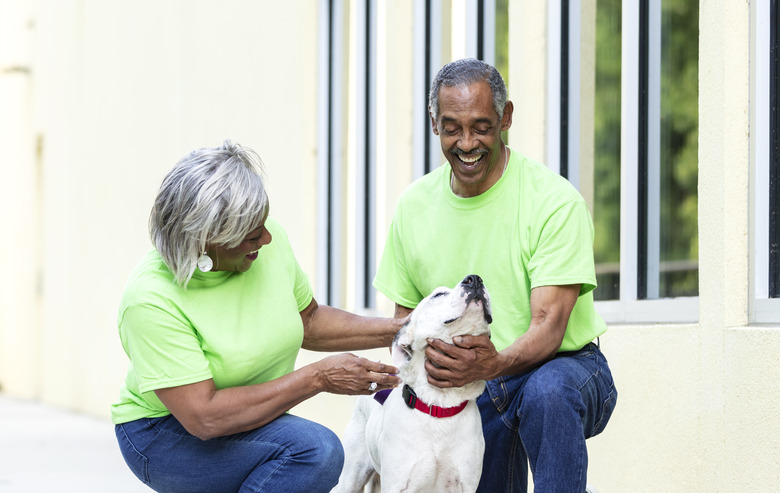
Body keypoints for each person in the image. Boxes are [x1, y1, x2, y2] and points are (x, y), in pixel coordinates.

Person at [373, 58, 618, 492]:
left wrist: (495, 364)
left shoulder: (554, 201)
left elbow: (550, 327)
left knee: (548, 393)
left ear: (506, 118)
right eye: (452, 128)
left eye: (482, 127)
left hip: (563, 365)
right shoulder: (413, 208)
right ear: (434, 124)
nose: (467, 143)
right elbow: (410, 327)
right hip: (470, 383)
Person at [111, 140, 404, 493]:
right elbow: (205, 416)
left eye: (263, 225)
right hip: (164, 433)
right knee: (313, 451)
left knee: (309, 451)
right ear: (205, 242)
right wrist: (319, 377)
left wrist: (399, 330)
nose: (266, 238)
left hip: (240, 418)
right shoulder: (149, 300)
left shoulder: (268, 241)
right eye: (251, 235)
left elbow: (308, 321)